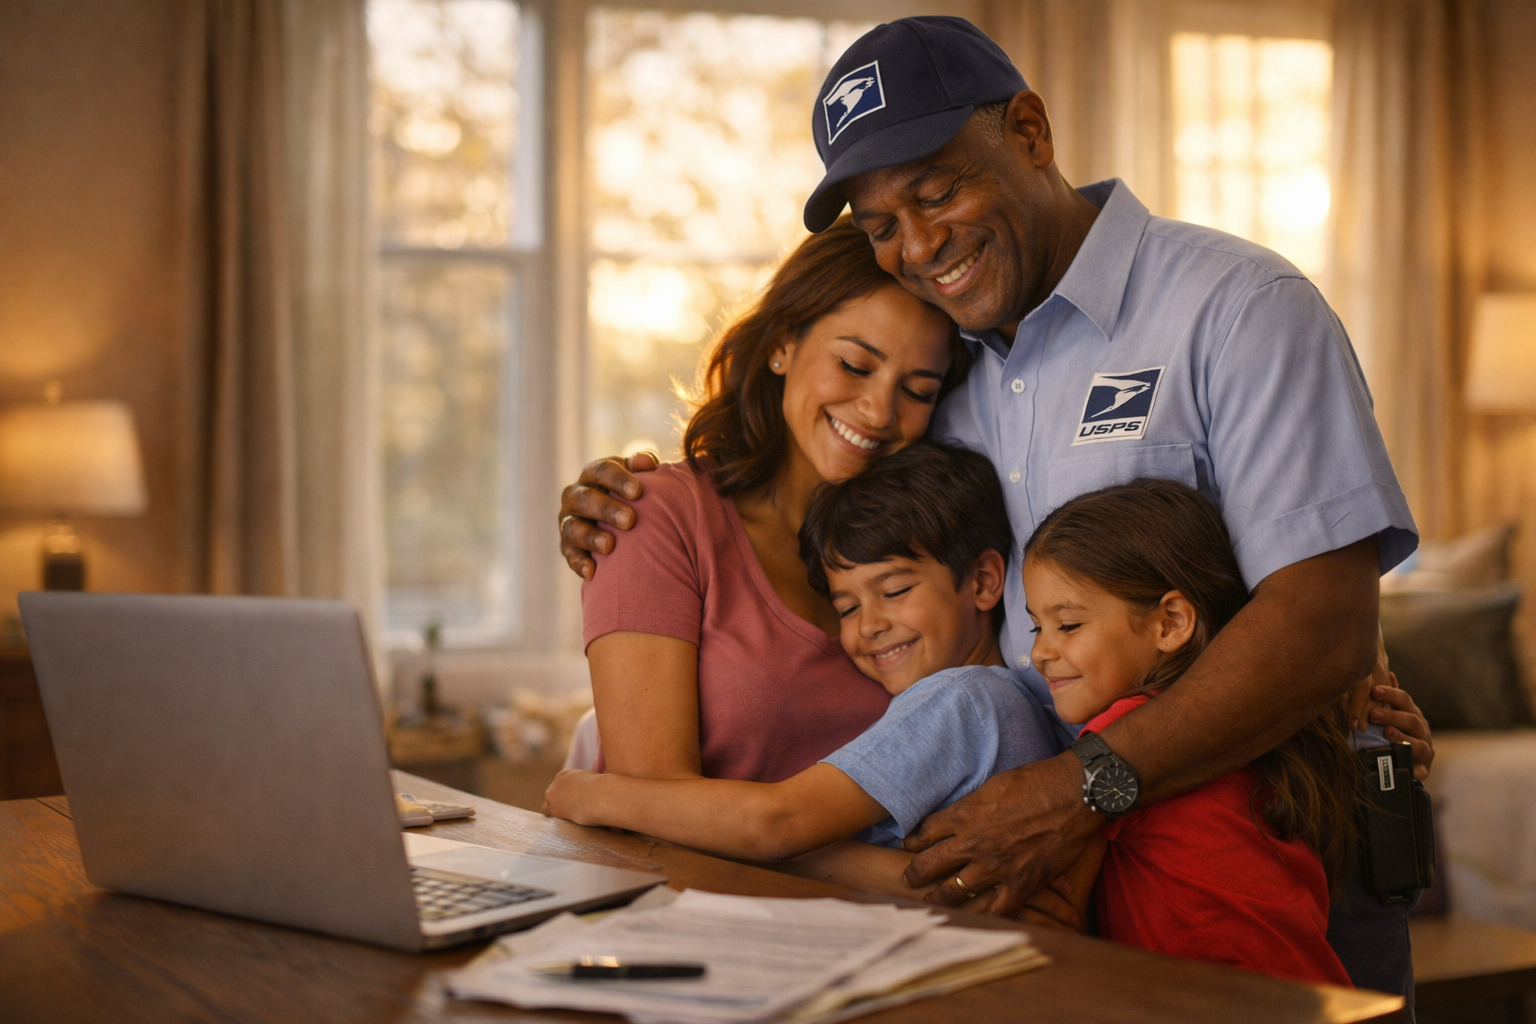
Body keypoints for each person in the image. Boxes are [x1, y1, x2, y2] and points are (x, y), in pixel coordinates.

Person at [555, 15, 1436, 1003]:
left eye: (937, 191)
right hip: (1067, 897)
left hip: (1253, 867)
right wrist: (626, 494)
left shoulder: (1239, 309)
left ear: (1029, 132)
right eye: (882, 224)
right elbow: (826, 487)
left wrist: (1078, 788)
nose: (919, 244)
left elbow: (1323, 622)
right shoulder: (949, 370)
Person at [546, 444, 1063, 899]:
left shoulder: (965, 701)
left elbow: (779, 824)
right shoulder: (992, 702)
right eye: (847, 608)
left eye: (896, 591)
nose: (870, 627)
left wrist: (592, 794)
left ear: (984, 580)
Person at [578, 215, 964, 791]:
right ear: (783, 344)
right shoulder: (651, 516)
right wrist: (912, 883)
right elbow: (649, 808)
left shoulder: (938, 548)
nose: (880, 412)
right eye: (854, 365)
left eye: (917, 392)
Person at [1021, 478, 1355, 986]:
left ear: (1171, 622)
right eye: (1035, 627)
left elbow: (1055, 915)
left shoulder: (1123, 733)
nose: (1040, 653)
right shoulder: (1267, 718)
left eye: (1067, 625)